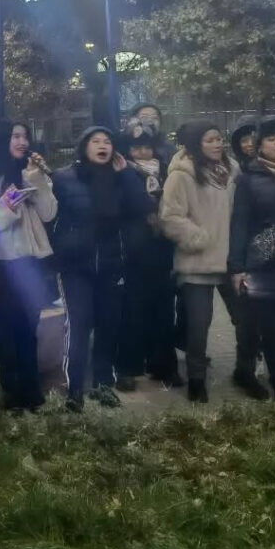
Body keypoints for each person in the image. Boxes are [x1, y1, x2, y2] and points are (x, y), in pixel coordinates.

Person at [160, 121, 264, 403]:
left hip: (233, 262)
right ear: (196, 143)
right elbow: (170, 217)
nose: (218, 144)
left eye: (219, 139)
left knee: (247, 321)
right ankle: (196, 379)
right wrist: (201, 238)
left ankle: (245, 372)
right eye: (210, 140)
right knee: (198, 325)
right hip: (198, 262)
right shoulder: (181, 174)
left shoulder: (233, 169)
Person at [52, 128, 153, 412]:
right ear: (84, 146)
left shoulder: (121, 178)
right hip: (75, 266)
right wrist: (60, 250)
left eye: (107, 142)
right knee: (79, 327)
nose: (102, 146)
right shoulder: (65, 177)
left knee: (109, 326)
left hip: (111, 264)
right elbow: (50, 216)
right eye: (95, 141)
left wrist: (127, 175)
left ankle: (103, 385)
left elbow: (142, 207)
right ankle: (74, 390)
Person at [0, 123, 57, 412]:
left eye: (25, 136)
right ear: (3, 139)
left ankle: (31, 392)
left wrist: (38, 180)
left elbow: (49, 213)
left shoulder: (32, 172)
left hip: (31, 261)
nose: (22, 142)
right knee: (7, 328)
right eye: (16, 136)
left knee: (29, 327)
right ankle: (8, 391)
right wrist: (8, 205)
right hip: (1, 262)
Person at [115, 130, 181, 390]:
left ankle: (164, 366)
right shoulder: (122, 172)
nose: (142, 152)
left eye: (146, 147)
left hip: (162, 249)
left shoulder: (166, 172)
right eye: (136, 148)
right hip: (134, 252)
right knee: (133, 313)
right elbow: (134, 204)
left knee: (164, 312)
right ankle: (128, 368)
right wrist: (129, 177)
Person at [230, 116, 275, 401]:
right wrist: (237, 267)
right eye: (272, 138)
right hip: (266, 269)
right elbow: (239, 224)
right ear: (260, 145)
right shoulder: (248, 180)